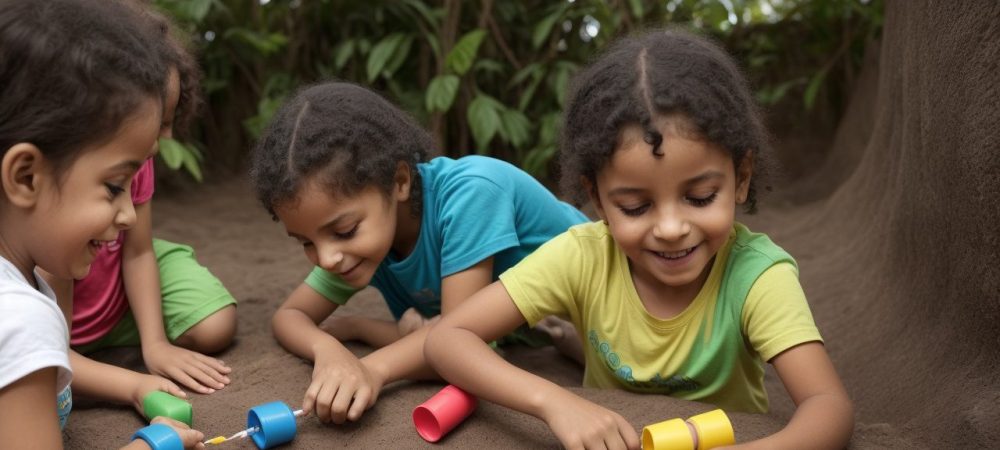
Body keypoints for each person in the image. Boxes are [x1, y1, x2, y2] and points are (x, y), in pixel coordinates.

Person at [425, 28, 854, 449]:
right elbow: (448, 338)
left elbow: (828, 406)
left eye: (700, 197)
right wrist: (554, 402)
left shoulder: (757, 275)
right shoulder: (582, 256)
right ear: (597, 198)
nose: (670, 228)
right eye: (635, 207)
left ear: (741, 178)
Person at [249, 81, 588, 424]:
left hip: (610, 304)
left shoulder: (471, 194)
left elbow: (458, 345)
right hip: (518, 328)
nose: (327, 258)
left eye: (344, 231)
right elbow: (289, 316)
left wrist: (370, 369)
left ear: (398, 182)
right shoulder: (365, 246)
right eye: (306, 242)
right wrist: (330, 351)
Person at [0, 0, 206, 448]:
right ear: (25, 177)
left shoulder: (24, 282)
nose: (129, 214)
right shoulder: (20, 317)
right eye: (114, 186)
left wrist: (133, 385)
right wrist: (150, 446)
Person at [41, 3, 237, 402]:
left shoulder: (138, 162)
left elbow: (138, 250)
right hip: (64, 311)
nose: (164, 139)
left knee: (216, 326)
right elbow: (49, 360)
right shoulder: (49, 223)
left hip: (117, 283)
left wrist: (156, 344)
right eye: (156, 121)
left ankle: (116, 345)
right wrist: (132, 387)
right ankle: (94, 359)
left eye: (169, 120)